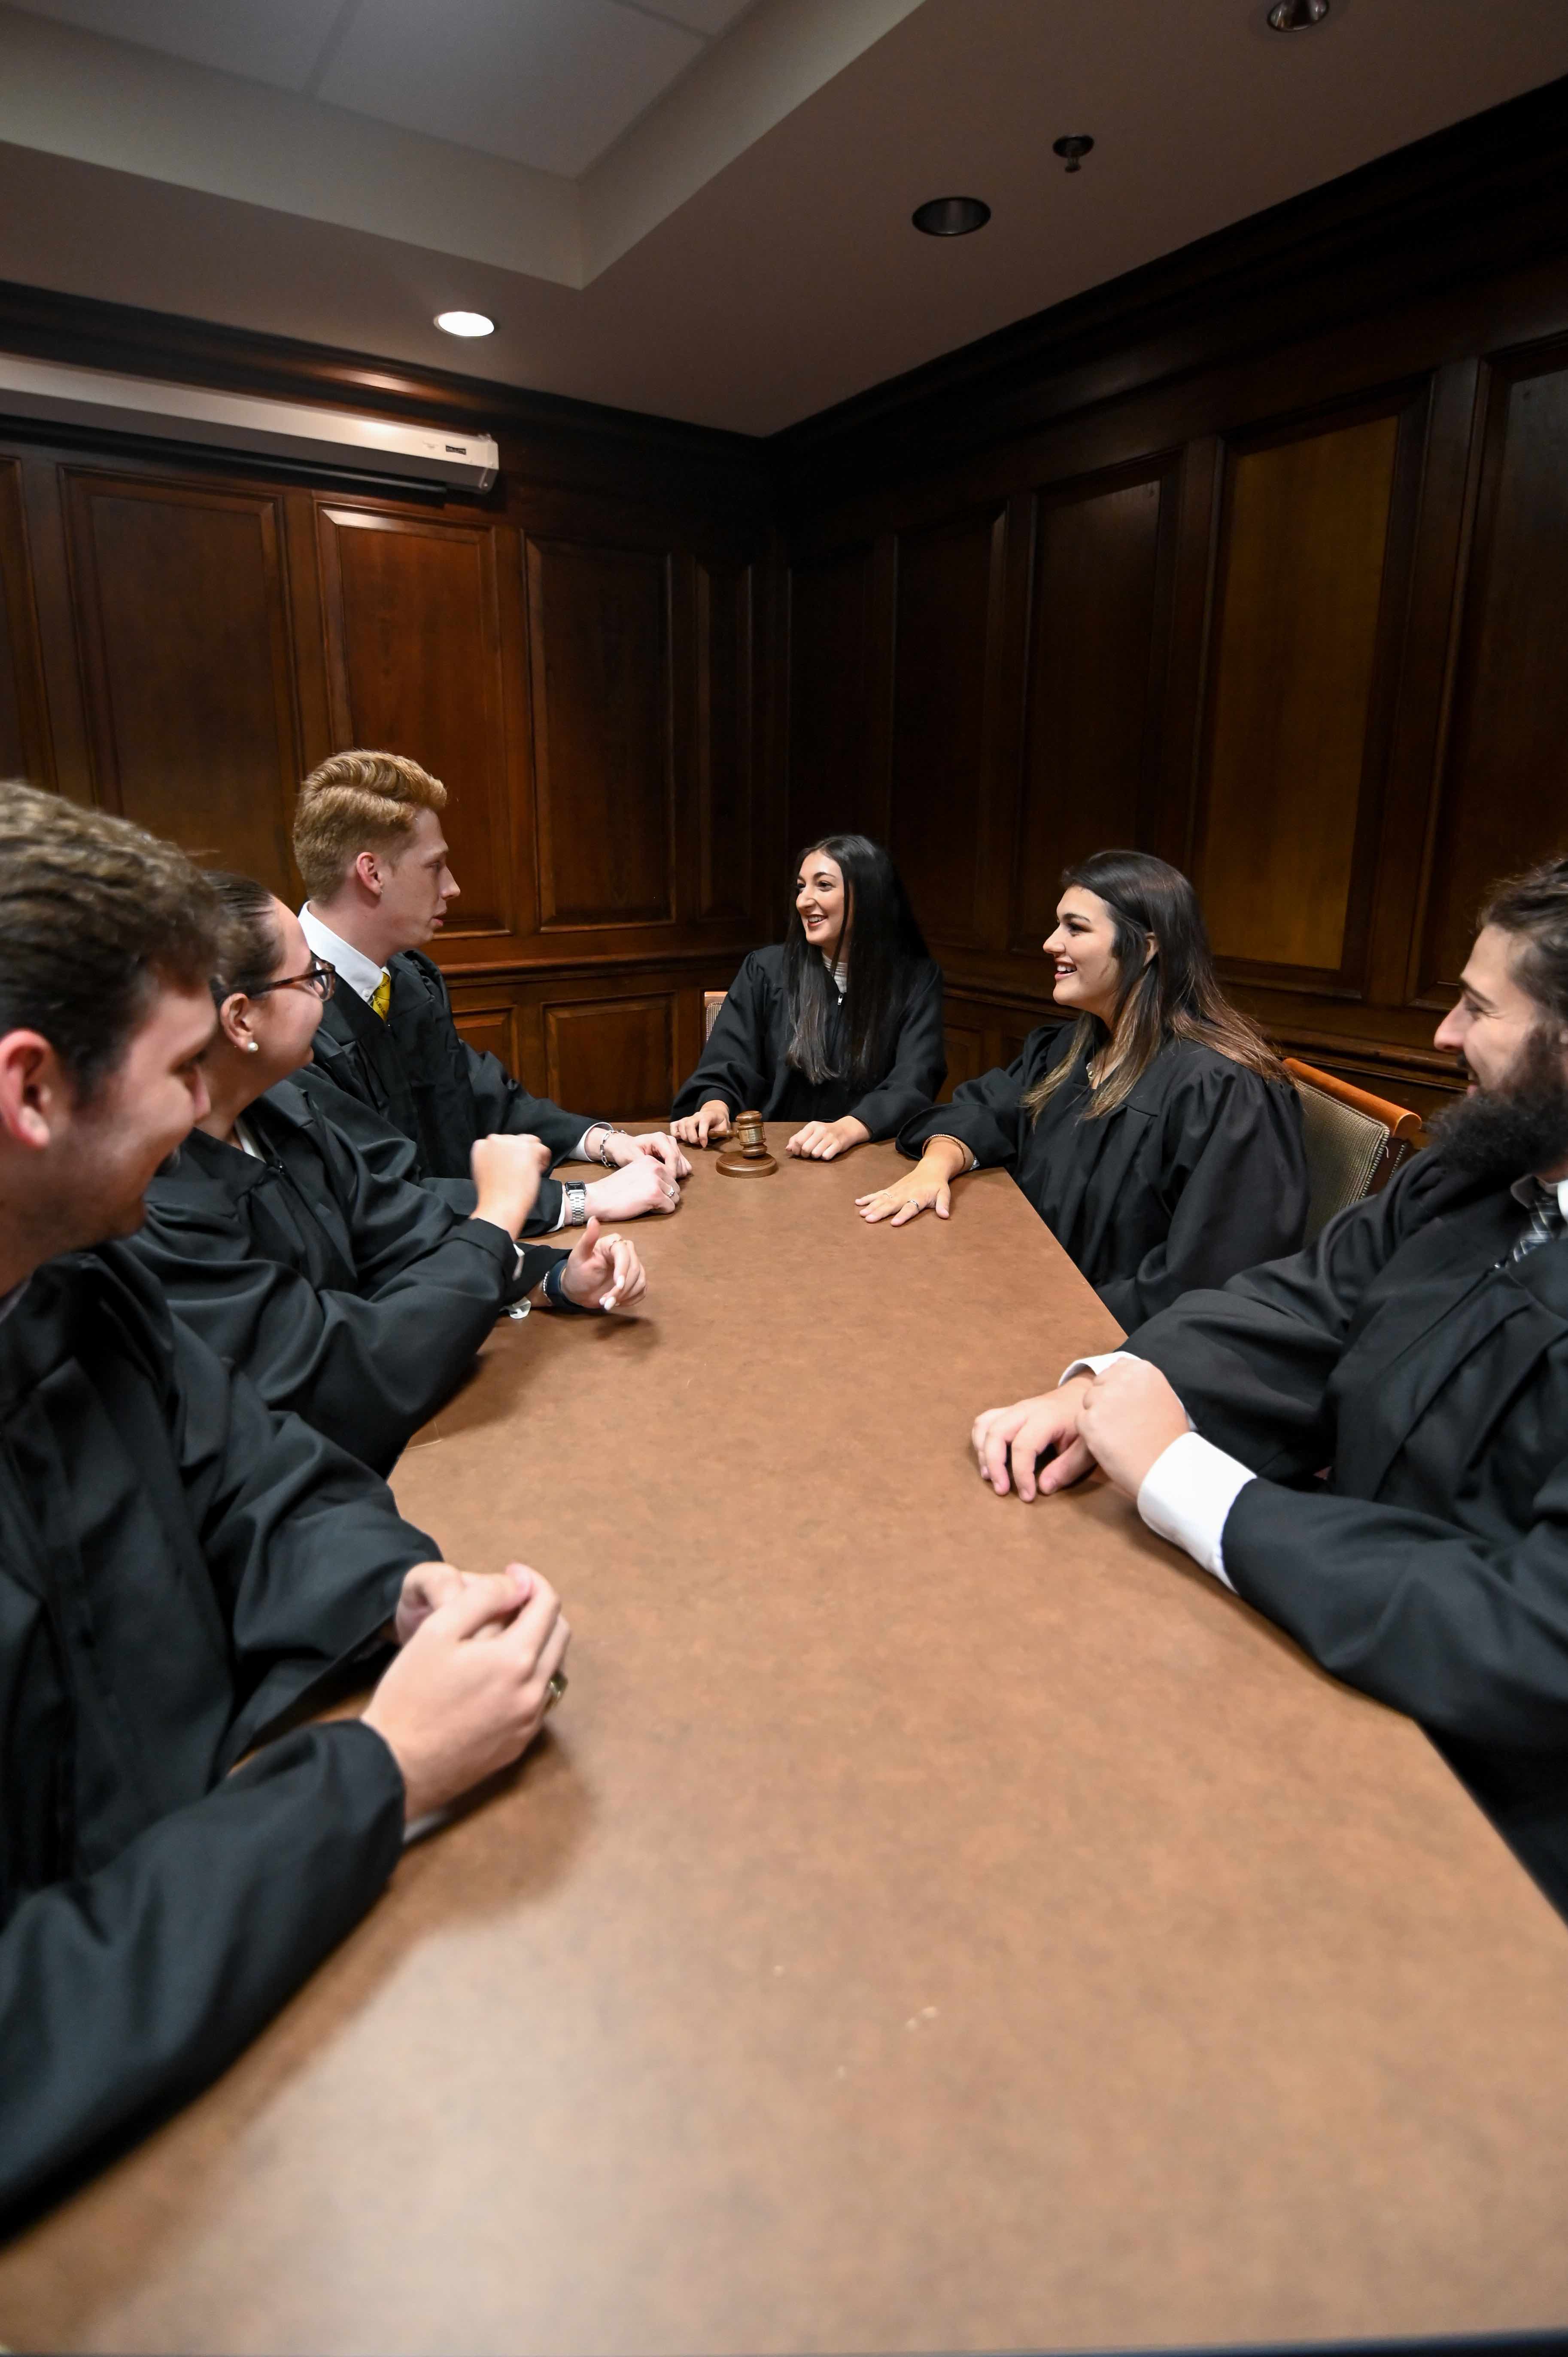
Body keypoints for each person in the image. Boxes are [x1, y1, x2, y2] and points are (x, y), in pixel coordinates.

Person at [0, 784, 570, 2222]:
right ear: (29, 1089)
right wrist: (379, 1770)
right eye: (182, 1069)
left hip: (252, 2022)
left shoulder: (74, 1276)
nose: (211, 1113)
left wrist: (398, 1585)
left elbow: (261, 1467)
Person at [969, 853, 1568, 1916]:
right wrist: (1108, 1381)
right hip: (1329, 1649)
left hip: (1487, 1817)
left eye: (1477, 1007)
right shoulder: (1470, 1174)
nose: (1439, 1034)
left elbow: (1532, 1636)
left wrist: (1185, 1479)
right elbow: (1306, 1306)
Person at [130, 876, 647, 1478]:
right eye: (309, 979)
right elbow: (342, 1374)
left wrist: (554, 1277)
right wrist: (500, 1209)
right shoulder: (157, 1200)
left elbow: (401, 1231)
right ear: (241, 1019)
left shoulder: (281, 1110)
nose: (325, 995)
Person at [859, 850, 1308, 1329]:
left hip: (1117, 1347)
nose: (1051, 943)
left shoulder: (1223, 1091)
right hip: (1023, 1295)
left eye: (1075, 928)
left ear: (1147, 946)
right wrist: (937, 1162)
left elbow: (1208, 1281)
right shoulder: (1072, 1049)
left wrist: (1048, 1316)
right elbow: (987, 1109)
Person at [293, 749, 688, 1230]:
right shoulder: (291, 1021)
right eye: (435, 865)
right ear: (372, 873)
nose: (454, 886)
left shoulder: (407, 977)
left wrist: (605, 1141)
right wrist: (582, 1200)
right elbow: (382, 1192)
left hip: (476, 1258)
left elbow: (483, 1098)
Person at [672, 833, 944, 1159]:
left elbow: (914, 1080)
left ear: (870, 896)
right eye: (801, 887)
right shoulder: (766, 970)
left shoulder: (914, 980)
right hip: (774, 1158)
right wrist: (715, 1105)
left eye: (823, 886)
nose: (803, 900)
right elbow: (729, 1060)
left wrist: (848, 1128)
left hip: (869, 1155)